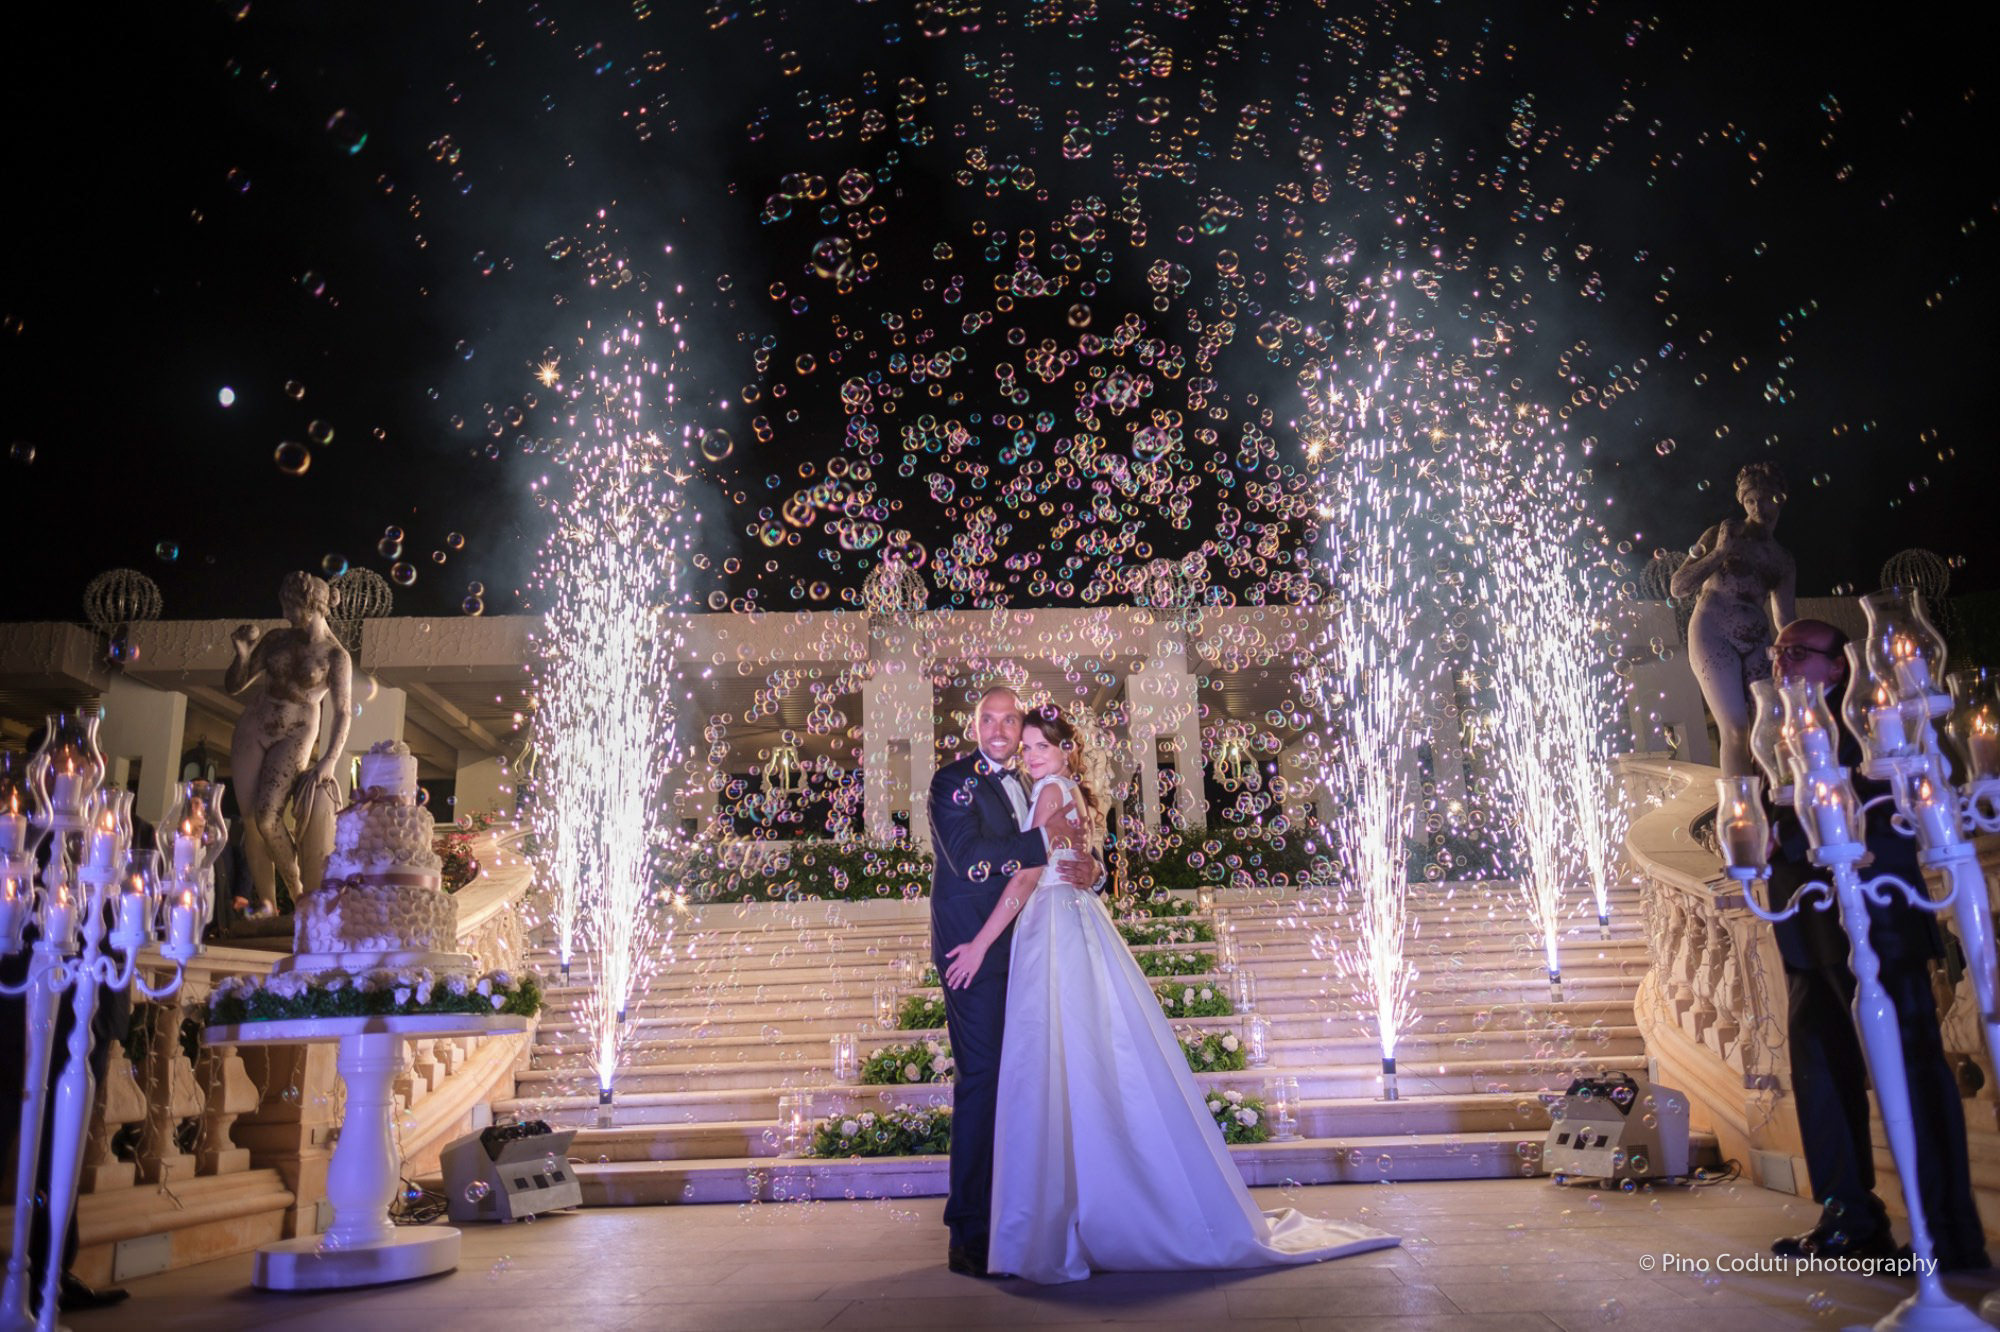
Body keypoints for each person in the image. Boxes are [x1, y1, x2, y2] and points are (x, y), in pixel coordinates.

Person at [943, 705, 1399, 1283]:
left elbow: (1030, 874)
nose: (1029, 753)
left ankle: (1064, 1217)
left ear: (1064, 753)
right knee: (1079, 1057)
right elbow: (1069, 860)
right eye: (1025, 745)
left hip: (1051, 928)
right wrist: (1091, 869)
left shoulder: (1048, 790)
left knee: (1061, 1060)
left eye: (1039, 745)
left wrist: (982, 943)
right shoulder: (1055, 790)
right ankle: (1089, 1203)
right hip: (1065, 923)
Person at [1760, 618, 1987, 1271]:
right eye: (1780, 652)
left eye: (1800, 653)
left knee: (1915, 1066)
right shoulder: (1779, 728)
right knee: (1819, 1070)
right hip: (1806, 924)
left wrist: (1800, 834)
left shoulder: (1873, 719)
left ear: (1838, 666)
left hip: (1878, 915)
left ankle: (1949, 1230)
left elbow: (1896, 809)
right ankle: (1849, 1219)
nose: (1784, 662)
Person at [224, 571, 352, 916]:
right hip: (254, 726)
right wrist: (242, 653)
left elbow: (342, 712)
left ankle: (298, 892)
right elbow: (234, 685)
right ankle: (267, 905)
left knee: (268, 818)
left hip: (296, 731)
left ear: (312, 605)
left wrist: (329, 759)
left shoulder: (336, 657)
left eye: (290, 606)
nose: (286, 614)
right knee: (251, 822)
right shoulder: (278, 638)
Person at [1671, 462, 1797, 777]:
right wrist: (1720, 552)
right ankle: (1741, 809)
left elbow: (1785, 620)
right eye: (1751, 500)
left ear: (1780, 498)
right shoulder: (1721, 533)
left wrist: (1795, 653)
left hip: (1757, 641)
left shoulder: (1782, 560)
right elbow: (1679, 586)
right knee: (1736, 730)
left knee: (1768, 728)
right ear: (1742, 501)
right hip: (1714, 635)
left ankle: (1772, 800)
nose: (1758, 507)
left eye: (1766, 498)